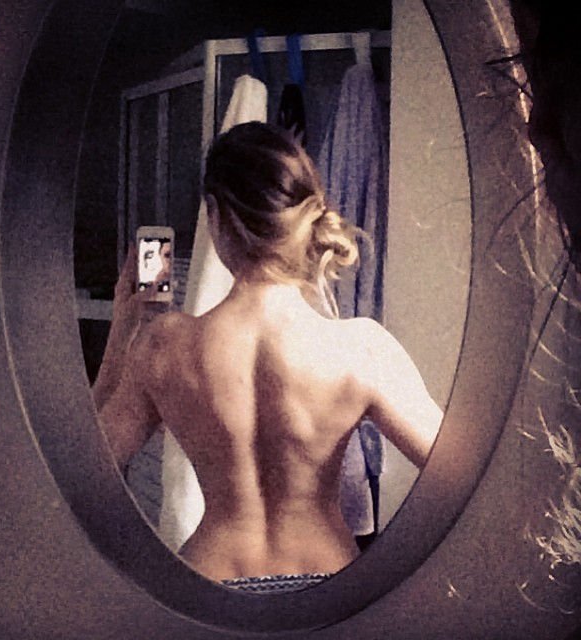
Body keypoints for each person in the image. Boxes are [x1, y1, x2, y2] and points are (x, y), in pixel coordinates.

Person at [93, 122, 442, 591]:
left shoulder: (165, 344)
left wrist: (123, 328)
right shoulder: (360, 349)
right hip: (328, 592)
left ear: (215, 215)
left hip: (210, 589)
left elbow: (86, 467)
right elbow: (462, 475)